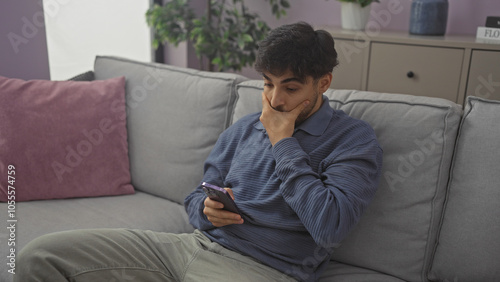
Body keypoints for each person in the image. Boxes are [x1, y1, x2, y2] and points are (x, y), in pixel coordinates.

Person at [16, 22, 382, 282]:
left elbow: (330, 227)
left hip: (265, 269)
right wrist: (206, 211)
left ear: (324, 83)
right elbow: (196, 197)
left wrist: (282, 141)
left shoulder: (352, 139)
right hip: (188, 247)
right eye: (268, 84)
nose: (274, 99)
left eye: (290, 87)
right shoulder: (245, 127)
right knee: (41, 256)